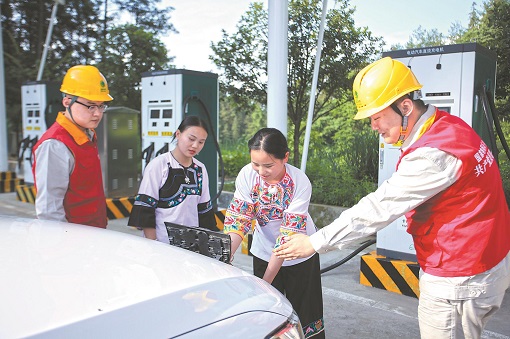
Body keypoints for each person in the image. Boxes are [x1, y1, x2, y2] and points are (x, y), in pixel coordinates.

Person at [274, 57, 510, 338]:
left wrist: (314, 242)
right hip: (485, 262)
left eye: (377, 117)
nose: (373, 126)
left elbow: (379, 208)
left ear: (405, 107)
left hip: (459, 278)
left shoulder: (432, 154)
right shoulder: (448, 126)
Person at [223, 128, 325, 338]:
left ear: (285, 157)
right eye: (255, 164)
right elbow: (238, 221)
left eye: (268, 165)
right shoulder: (247, 175)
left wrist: (264, 283)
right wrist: (225, 256)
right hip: (263, 250)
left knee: (306, 313)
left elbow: (287, 237)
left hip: (299, 254)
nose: (261, 172)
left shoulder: (299, 182)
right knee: (266, 314)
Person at [32, 65, 113, 228]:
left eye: (101, 106)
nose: (97, 113)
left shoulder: (86, 135)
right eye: (90, 106)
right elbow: (49, 211)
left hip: (94, 235)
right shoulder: (55, 145)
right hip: (73, 241)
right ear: (67, 102)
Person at [128, 116, 217, 242]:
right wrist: (153, 245)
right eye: (191, 139)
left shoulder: (200, 169)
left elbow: (205, 212)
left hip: (191, 247)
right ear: (178, 134)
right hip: (162, 246)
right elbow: (145, 210)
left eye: (201, 142)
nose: (195, 145)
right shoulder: (158, 165)